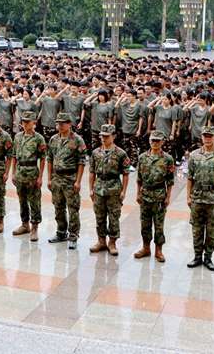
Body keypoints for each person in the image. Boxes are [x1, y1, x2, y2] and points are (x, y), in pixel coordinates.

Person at [186, 125, 214, 272]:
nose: (207, 139)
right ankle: (197, 256)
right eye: (205, 136)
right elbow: (190, 178)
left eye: (210, 136)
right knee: (196, 229)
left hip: (213, 198)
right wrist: (188, 197)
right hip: (197, 197)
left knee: (211, 231)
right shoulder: (194, 155)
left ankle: (208, 258)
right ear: (201, 137)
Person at [88, 123, 129, 256]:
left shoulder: (121, 153)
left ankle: (112, 243)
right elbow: (92, 172)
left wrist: (123, 191)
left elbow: (126, 173)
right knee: (99, 216)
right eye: (102, 136)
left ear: (114, 136)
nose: (103, 139)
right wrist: (91, 189)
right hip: (99, 187)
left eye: (106, 136)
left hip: (114, 188)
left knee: (114, 216)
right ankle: (101, 241)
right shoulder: (95, 153)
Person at [47, 112, 86, 250]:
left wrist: (78, 181)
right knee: (58, 207)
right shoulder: (53, 139)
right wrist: (49, 178)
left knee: (73, 208)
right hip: (56, 178)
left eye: (63, 123)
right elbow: (49, 159)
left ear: (70, 124)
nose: (60, 125)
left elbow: (81, 162)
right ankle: (61, 232)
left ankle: (73, 236)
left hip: (70, 178)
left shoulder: (77, 140)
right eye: (58, 123)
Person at [135, 130, 174, 262]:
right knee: (145, 224)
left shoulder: (167, 159)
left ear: (162, 142)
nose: (155, 143)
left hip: (159, 196)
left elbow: (170, 181)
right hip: (145, 195)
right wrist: (138, 193)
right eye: (153, 140)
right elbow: (139, 178)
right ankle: (146, 248)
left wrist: (168, 197)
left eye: (157, 141)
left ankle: (159, 250)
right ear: (149, 141)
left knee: (159, 225)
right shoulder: (142, 157)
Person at [10, 110, 46, 241]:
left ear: (34, 123)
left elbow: (43, 158)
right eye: (23, 122)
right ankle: (25, 224)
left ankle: (34, 227)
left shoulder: (39, 138)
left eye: (27, 122)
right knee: (22, 200)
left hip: (32, 173)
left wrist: (40, 177)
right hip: (20, 172)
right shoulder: (18, 137)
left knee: (34, 201)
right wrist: (13, 173)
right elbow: (14, 156)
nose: (25, 124)